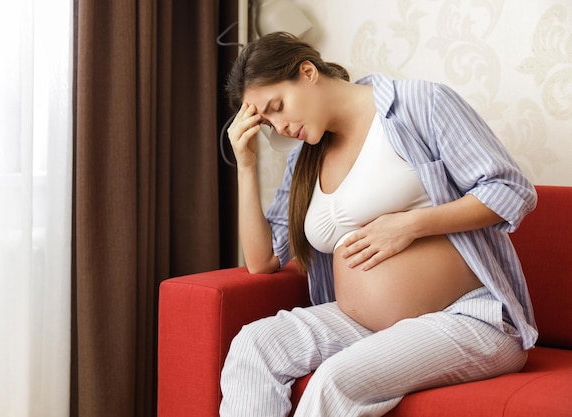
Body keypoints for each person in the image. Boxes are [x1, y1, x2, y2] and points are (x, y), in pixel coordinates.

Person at [220, 31, 537, 417]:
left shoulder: (420, 105)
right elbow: (262, 260)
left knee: (333, 382)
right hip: (364, 324)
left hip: (470, 317)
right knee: (253, 346)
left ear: (307, 72)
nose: (280, 128)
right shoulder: (303, 159)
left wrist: (411, 225)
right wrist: (247, 163)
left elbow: (511, 189)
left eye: (277, 106)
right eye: (268, 122)